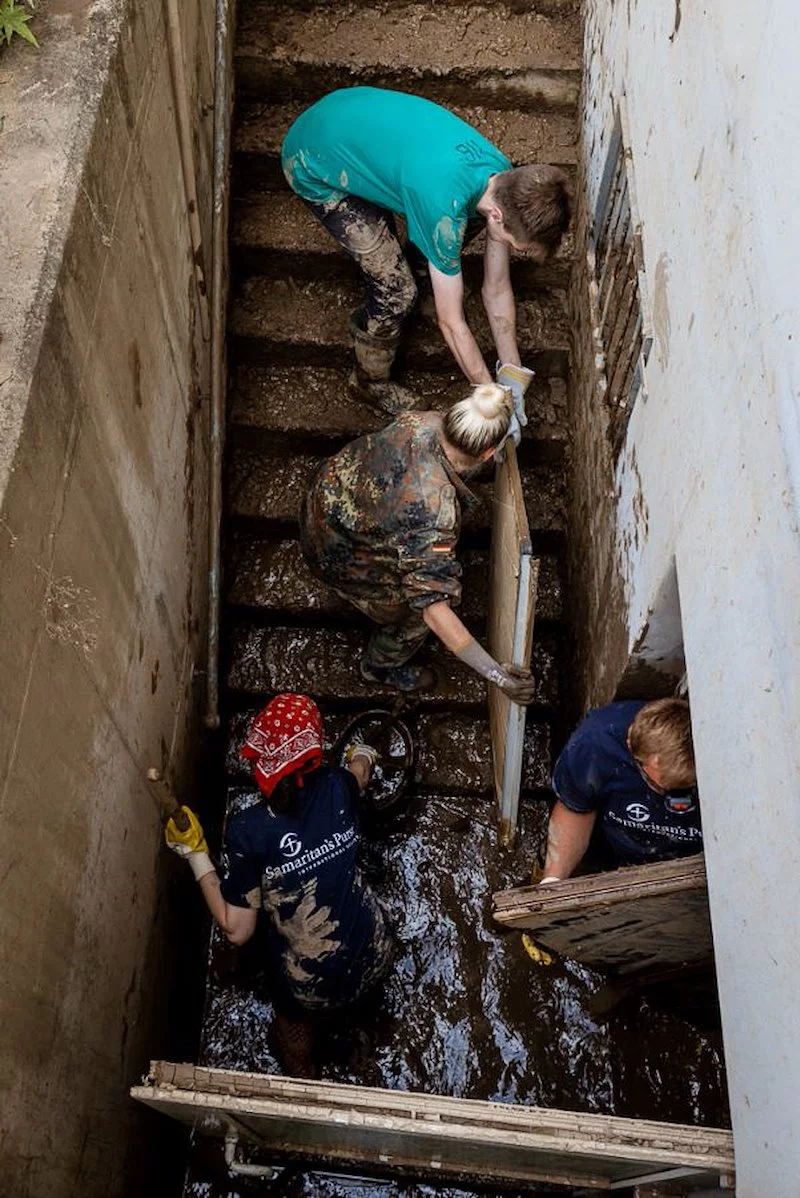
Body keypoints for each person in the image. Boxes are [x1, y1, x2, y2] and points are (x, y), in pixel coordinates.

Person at [281, 86, 571, 416]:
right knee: (397, 291)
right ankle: (368, 383)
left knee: (465, 225)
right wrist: (491, 397)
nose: (516, 250)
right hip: (314, 157)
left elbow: (497, 287)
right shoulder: (444, 211)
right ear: (498, 215)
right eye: (519, 246)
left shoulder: (501, 178)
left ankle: (425, 270)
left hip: (352, 117)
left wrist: (512, 373)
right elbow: (451, 323)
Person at [164, 693, 393, 1077]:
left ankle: (303, 1070)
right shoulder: (339, 786)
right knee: (357, 985)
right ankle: (361, 1030)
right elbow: (359, 772)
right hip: (376, 948)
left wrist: (196, 853)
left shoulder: (248, 830)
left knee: (291, 1030)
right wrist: (365, 755)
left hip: (312, 985)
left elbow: (237, 930)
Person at [300, 381, 536, 700]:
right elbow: (434, 612)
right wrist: (498, 676)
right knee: (413, 617)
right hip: (337, 558)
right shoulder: (434, 513)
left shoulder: (422, 419)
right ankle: (379, 668)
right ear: (488, 453)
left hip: (321, 501)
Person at [540, 698, 702, 882]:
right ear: (630, 746)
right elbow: (575, 808)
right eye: (652, 782)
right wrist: (553, 881)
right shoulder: (596, 745)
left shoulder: (720, 767)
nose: (660, 792)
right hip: (621, 855)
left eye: (674, 789)